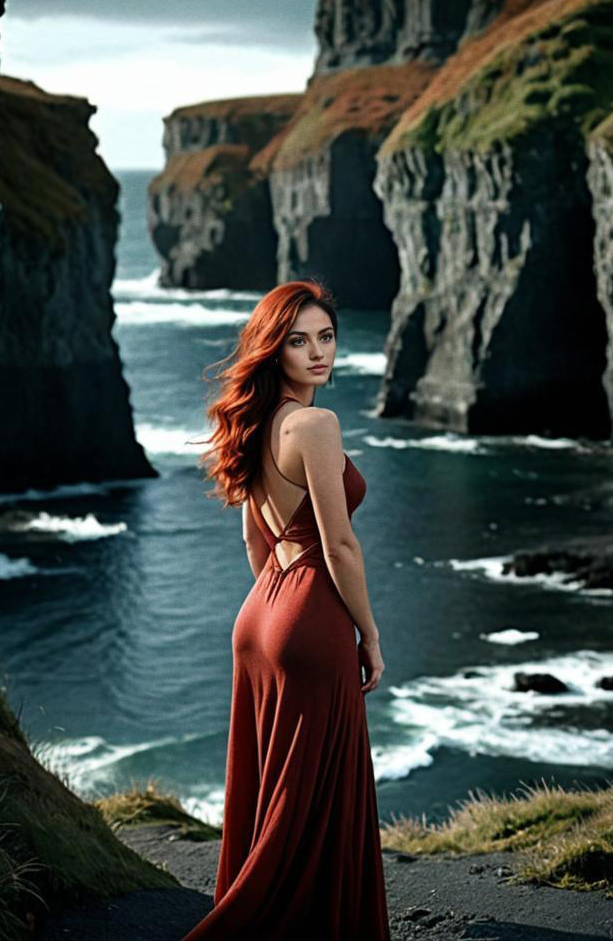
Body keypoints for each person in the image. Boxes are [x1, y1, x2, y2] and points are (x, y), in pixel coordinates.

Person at [180, 279, 391, 940]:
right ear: (275, 348)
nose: (317, 352)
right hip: (308, 618)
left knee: (274, 782)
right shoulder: (314, 425)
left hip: (260, 614)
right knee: (317, 788)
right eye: (299, 340)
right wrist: (369, 633)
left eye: (325, 337)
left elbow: (255, 537)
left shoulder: (258, 421)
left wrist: (276, 607)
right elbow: (340, 545)